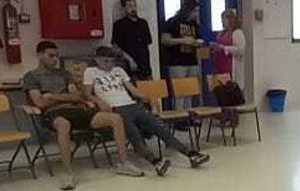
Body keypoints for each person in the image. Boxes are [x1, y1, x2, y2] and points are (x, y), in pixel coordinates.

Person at [22, 41, 142, 190]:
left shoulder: (64, 74)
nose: (55, 59)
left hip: (76, 109)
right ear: (40, 55)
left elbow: (77, 96)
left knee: (115, 118)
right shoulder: (31, 76)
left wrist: (52, 96)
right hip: (52, 113)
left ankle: (123, 163)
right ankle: (68, 173)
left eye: (57, 56)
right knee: (64, 124)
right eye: (51, 55)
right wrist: (62, 98)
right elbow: (40, 102)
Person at [82, 46, 211, 175]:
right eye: (105, 61)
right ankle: (155, 161)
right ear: (97, 59)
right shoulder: (90, 72)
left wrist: (149, 98)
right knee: (134, 135)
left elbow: (133, 91)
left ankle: (190, 154)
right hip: (115, 108)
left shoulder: (118, 70)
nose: (109, 64)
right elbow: (87, 94)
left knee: (160, 128)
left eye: (112, 61)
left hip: (131, 104)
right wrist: (98, 101)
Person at [160, 0, 203, 108]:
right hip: (177, 62)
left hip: (192, 61)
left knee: (190, 92)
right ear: (187, 10)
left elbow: (197, 38)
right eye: (195, 11)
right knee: (179, 93)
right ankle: (180, 115)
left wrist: (197, 43)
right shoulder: (172, 22)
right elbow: (165, 40)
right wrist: (183, 41)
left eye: (197, 11)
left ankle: (189, 113)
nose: (196, 14)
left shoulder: (194, 24)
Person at [112, 0, 154, 79]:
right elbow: (115, 47)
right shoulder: (119, 25)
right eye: (129, 6)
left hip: (145, 66)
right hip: (129, 65)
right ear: (124, 8)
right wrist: (129, 59)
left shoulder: (143, 23)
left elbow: (147, 44)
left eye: (134, 5)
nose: (133, 8)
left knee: (149, 85)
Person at [214, 8, 246, 82]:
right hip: (220, 66)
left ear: (230, 20)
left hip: (230, 67)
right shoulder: (221, 33)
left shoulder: (237, 33)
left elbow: (241, 50)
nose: (222, 22)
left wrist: (225, 48)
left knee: (230, 87)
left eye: (224, 19)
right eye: (222, 19)